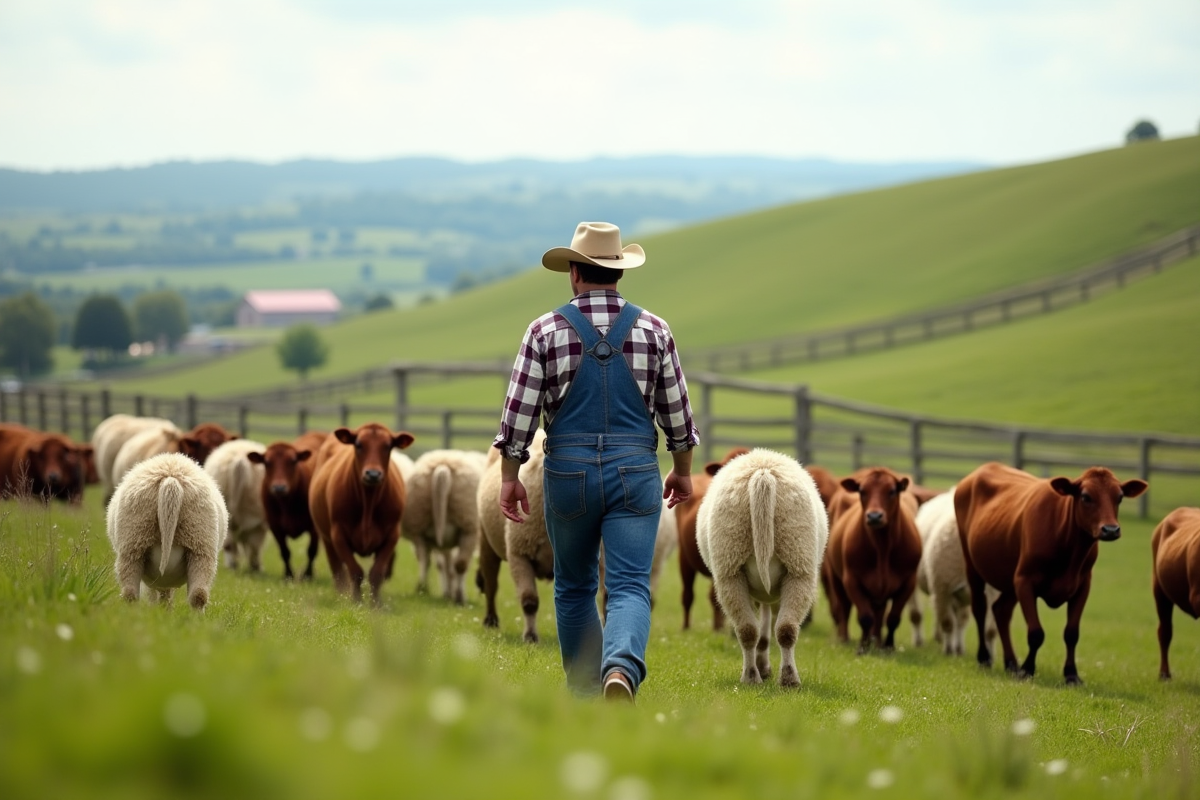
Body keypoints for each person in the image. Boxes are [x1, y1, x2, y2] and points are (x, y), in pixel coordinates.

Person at [493, 221, 699, 701]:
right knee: (629, 583)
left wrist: (509, 477)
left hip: (567, 473)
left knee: (574, 585)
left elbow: (518, 414)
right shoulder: (655, 329)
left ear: (573, 273)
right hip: (635, 471)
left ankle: (586, 692)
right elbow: (678, 416)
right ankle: (620, 672)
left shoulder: (543, 330)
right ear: (619, 273)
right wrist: (684, 471)